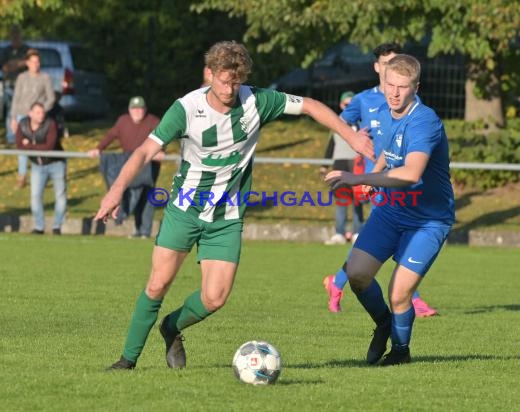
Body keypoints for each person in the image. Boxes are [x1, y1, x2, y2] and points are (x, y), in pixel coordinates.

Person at [96, 41, 373, 371]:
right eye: (225, 81)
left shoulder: (256, 101)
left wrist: (352, 137)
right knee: (157, 284)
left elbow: (311, 105)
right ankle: (128, 360)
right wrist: (115, 191)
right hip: (184, 209)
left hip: (226, 217)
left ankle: (171, 327)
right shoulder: (186, 108)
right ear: (209, 74)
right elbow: (143, 151)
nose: (230, 89)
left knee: (215, 297)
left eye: (236, 82)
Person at [324, 54, 455, 366]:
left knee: (399, 293)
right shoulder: (386, 111)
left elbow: (411, 173)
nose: (395, 92)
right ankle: (383, 323)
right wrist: (378, 174)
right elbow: (388, 147)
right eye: (389, 85)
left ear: (416, 88)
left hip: (428, 221)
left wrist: (359, 178)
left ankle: (400, 352)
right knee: (356, 274)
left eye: (403, 87)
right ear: (382, 83)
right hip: (391, 211)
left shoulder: (424, 121)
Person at [88, 96, 161, 238]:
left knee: (146, 197)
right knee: (130, 194)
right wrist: (99, 148)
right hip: (130, 163)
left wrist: (161, 151)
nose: (138, 112)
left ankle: (145, 230)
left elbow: (162, 137)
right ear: (129, 110)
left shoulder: (153, 121)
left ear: (145, 109)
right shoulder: (123, 121)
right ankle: (135, 226)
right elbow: (111, 135)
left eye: (140, 108)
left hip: (149, 165)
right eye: (134, 109)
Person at [15, 102, 66, 234]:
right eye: (38, 112)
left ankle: (57, 226)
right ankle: (39, 226)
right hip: (37, 165)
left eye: (42, 112)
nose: (41, 115)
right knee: (35, 196)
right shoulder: (23, 125)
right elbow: (19, 145)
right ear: (30, 113)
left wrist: (29, 145)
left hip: (56, 164)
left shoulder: (50, 123)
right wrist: (32, 146)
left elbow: (48, 147)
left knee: (60, 195)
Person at [321, 91, 364, 245]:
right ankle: (339, 232)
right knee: (342, 199)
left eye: (352, 104)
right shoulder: (335, 123)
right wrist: (324, 166)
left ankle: (357, 232)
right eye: (346, 104)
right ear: (341, 105)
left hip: (357, 163)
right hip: (339, 163)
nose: (349, 107)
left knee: (358, 199)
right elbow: (330, 146)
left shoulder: (362, 123)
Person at [10, 48, 55, 189]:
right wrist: (13, 118)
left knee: (40, 145)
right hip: (22, 115)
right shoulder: (22, 78)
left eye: (38, 62)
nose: (36, 64)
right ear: (27, 63)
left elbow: (51, 98)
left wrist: (41, 112)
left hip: (39, 118)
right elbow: (16, 98)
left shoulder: (45, 78)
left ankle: (43, 171)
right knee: (22, 145)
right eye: (33, 62)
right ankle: (22, 175)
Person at [1, 25, 29, 146]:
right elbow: (5, 67)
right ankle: (11, 137)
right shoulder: (5, 51)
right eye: (13, 36)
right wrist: (19, 63)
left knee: (24, 111)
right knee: (10, 111)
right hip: (9, 85)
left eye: (17, 35)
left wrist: (15, 64)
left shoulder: (26, 49)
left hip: (24, 86)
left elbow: (28, 63)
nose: (15, 38)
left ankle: (24, 135)